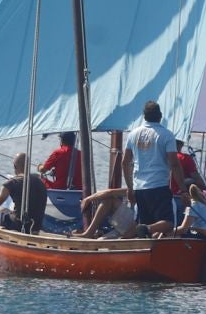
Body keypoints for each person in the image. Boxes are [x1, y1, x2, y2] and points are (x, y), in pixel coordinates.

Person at [124, 100, 182, 230]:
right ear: (160, 116)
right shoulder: (167, 135)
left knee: (145, 223)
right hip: (158, 187)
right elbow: (174, 164)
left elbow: (125, 162)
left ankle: (145, 236)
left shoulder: (133, 134)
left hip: (139, 188)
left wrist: (129, 188)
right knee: (168, 224)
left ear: (144, 116)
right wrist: (183, 190)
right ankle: (147, 230)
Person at [76, 185, 147, 239]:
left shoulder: (142, 186)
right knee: (101, 239)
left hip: (137, 226)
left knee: (109, 200)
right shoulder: (143, 185)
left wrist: (88, 199)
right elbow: (110, 192)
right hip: (134, 222)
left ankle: (89, 233)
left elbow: (110, 192)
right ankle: (91, 233)